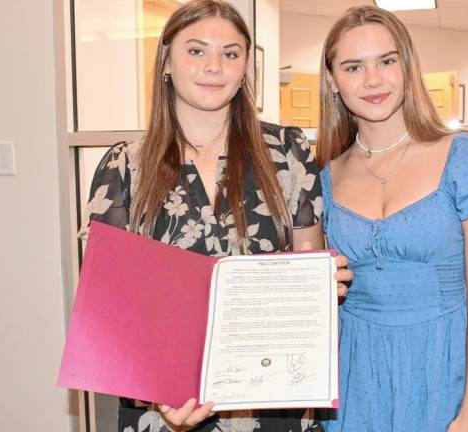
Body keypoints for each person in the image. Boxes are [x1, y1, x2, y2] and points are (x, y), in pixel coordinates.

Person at [79, 1, 351, 431]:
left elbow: (306, 258)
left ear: (245, 67)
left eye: (230, 53)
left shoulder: (288, 152)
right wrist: (164, 400)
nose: (214, 67)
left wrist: (321, 283)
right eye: (196, 51)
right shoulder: (124, 166)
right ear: (166, 61)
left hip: (272, 402)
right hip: (161, 406)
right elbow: (113, 313)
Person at [315, 6, 468, 432]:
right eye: (353, 67)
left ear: (408, 65)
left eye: (387, 61)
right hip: (358, 375)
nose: (373, 80)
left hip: (446, 369)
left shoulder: (465, 156)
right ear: (332, 80)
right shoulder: (323, 177)